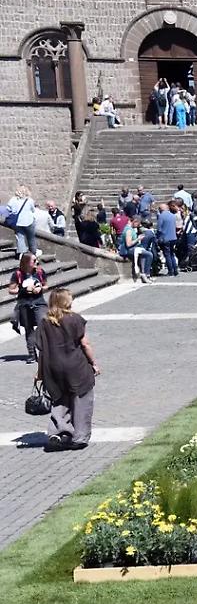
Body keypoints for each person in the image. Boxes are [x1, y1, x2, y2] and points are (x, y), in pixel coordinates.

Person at [35, 288, 99, 452]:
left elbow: (42, 350)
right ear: (66, 301)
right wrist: (94, 363)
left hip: (53, 366)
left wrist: (40, 372)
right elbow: (85, 344)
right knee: (82, 398)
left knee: (59, 398)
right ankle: (80, 437)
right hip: (75, 365)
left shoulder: (44, 322)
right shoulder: (75, 319)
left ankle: (57, 431)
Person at [8, 252, 47, 363]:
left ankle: (44, 352)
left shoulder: (40, 272)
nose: (36, 262)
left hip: (39, 302)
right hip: (24, 304)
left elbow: (46, 285)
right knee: (28, 329)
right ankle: (32, 354)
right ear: (26, 262)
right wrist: (23, 290)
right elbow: (11, 290)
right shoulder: (17, 274)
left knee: (43, 325)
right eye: (33, 260)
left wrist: (41, 289)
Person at [5, 186, 38, 256]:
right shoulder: (29, 200)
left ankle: (22, 254)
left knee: (20, 237)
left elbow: (8, 209)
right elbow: (33, 210)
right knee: (31, 237)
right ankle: (33, 253)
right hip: (29, 221)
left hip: (17, 222)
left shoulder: (13, 200)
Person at [120, 216, 153, 283]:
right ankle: (146, 274)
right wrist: (138, 239)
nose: (138, 226)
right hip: (128, 250)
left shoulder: (130, 229)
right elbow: (128, 244)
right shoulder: (129, 230)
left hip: (132, 248)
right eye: (138, 224)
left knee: (145, 253)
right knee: (149, 255)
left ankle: (145, 274)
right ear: (135, 221)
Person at [156, 203, 179, 277]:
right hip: (173, 237)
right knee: (172, 254)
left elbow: (159, 229)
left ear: (160, 209)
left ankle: (170, 271)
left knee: (167, 255)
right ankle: (175, 270)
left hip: (165, 238)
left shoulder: (161, 216)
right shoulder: (173, 216)